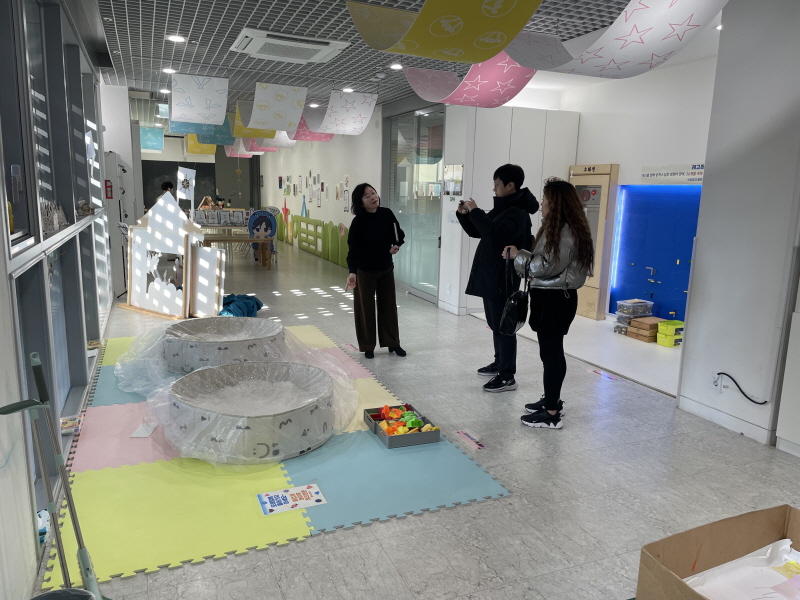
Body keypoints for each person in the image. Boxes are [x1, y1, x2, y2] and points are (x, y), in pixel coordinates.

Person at [505, 177, 594, 430]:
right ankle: (552, 400)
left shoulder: (564, 232)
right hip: (551, 297)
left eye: (545, 199)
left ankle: (552, 413)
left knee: (551, 354)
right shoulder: (560, 228)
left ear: (556, 203)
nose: (541, 204)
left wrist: (518, 255)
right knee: (552, 353)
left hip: (555, 300)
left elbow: (545, 266)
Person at [456, 164, 539, 393]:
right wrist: (465, 215)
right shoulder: (505, 208)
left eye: (496, 184)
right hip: (492, 276)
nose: (494, 189)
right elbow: (479, 231)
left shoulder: (517, 212)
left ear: (510, 185)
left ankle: (507, 376)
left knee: (504, 327)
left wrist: (476, 211)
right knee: (495, 324)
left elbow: (495, 234)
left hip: (503, 278)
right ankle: (499, 362)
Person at [346, 183, 406, 359]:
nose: (373, 197)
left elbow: (398, 235)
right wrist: (352, 272)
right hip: (364, 271)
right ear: (361, 202)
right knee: (365, 308)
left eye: (373, 193)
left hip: (385, 268)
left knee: (389, 307)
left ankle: (393, 343)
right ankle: (368, 346)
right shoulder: (358, 222)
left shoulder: (386, 214)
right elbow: (353, 249)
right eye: (367, 196)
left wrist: (396, 245)